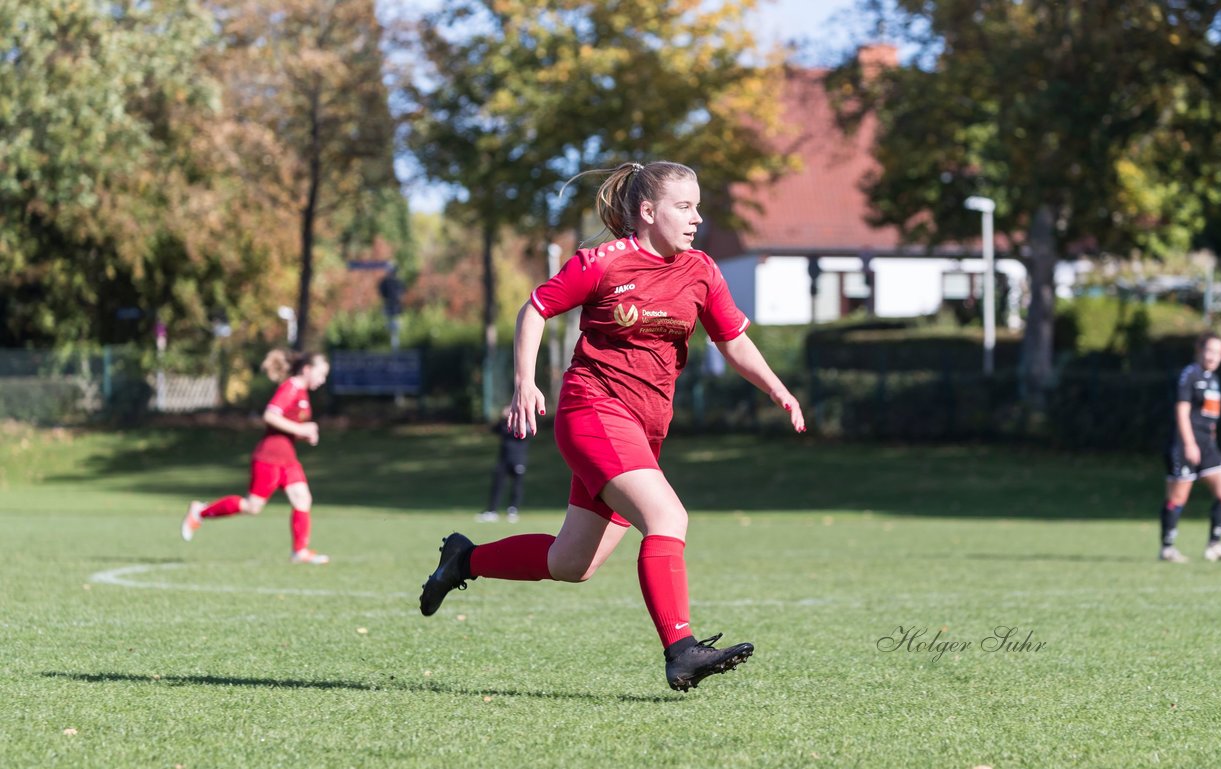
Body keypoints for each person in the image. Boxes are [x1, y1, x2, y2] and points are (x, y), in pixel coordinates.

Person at [418, 161, 806, 691]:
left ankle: (464, 560)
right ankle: (681, 649)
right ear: (648, 212)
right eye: (684, 207)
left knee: (572, 562)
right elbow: (534, 308)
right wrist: (524, 382)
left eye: (698, 207)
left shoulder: (701, 271)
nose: (697, 218)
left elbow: (733, 341)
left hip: (643, 431)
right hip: (592, 412)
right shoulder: (603, 262)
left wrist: (777, 388)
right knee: (667, 515)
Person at [181, 349, 332, 565]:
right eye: (321, 373)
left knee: (303, 498)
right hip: (269, 457)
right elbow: (270, 415)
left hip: (287, 458)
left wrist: (303, 435)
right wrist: (301, 430)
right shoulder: (291, 387)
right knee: (252, 506)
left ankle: (299, 552)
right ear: (307, 369)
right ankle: (200, 512)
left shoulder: (303, 393)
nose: (323, 379)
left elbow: (286, 427)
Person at [1159, 331, 1221, 563]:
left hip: (1207, 445)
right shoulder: (1190, 375)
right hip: (1185, 443)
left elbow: (1211, 416)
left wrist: (1210, 441)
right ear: (1199, 350)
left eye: (1219, 352)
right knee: (1177, 497)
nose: (1214, 356)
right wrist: (1189, 443)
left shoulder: (1214, 379)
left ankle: (1215, 545)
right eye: (1210, 351)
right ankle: (1167, 548)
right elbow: (1182, 412)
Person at [477, 405, 529, 523]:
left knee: (517, 486)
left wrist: (516, 418)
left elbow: (525, 434)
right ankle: (492, 511)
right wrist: (502, 418)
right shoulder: (504, 424)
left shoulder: (524, 422)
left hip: (518, 459)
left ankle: (513, 510)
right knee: (497, 485)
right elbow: (494, 429)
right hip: (503, 460)